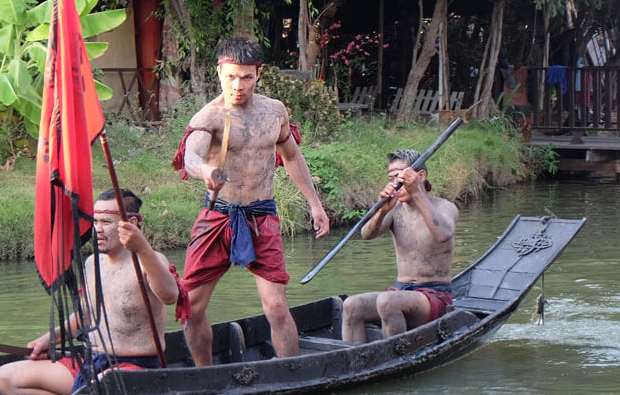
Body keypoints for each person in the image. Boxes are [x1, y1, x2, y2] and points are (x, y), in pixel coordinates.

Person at [172, 36, 330, 366]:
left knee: (275, 306)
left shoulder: (274, 111)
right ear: (219, 72)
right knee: (192, 305)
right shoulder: (210, 116)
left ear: (258, 74)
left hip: (261, 214)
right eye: (230, 76)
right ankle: (205, 376)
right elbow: (191, 155)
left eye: (246, 77)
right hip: (218, 215)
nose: (238, 85)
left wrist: (315, 204)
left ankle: (291, 373)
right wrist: (205, 171)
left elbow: (292, 157)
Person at [0, 189, 187, 395]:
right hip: (92, 361)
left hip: (134, 368)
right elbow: (85, 315)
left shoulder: (150, 260)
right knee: (4, 378)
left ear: (130, 223)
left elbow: (170, 296)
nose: (98, 230)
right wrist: (49, 339)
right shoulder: (92, 263)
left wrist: (143, 248)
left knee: (100, 387)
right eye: (95, 222)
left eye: (106, 221)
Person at [341, 149, 458, 343]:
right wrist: (381, 210)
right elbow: (367, 235)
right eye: (392, 177)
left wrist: (415, 191)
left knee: (387, 302)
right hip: (401, 290)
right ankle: (353, 361)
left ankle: (395, 357)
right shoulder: (395, 210)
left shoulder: (444, 207)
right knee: (351, 305)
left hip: (434, 294)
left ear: (420, 176)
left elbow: (443, 234)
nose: (395, 183)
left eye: (401, 176)